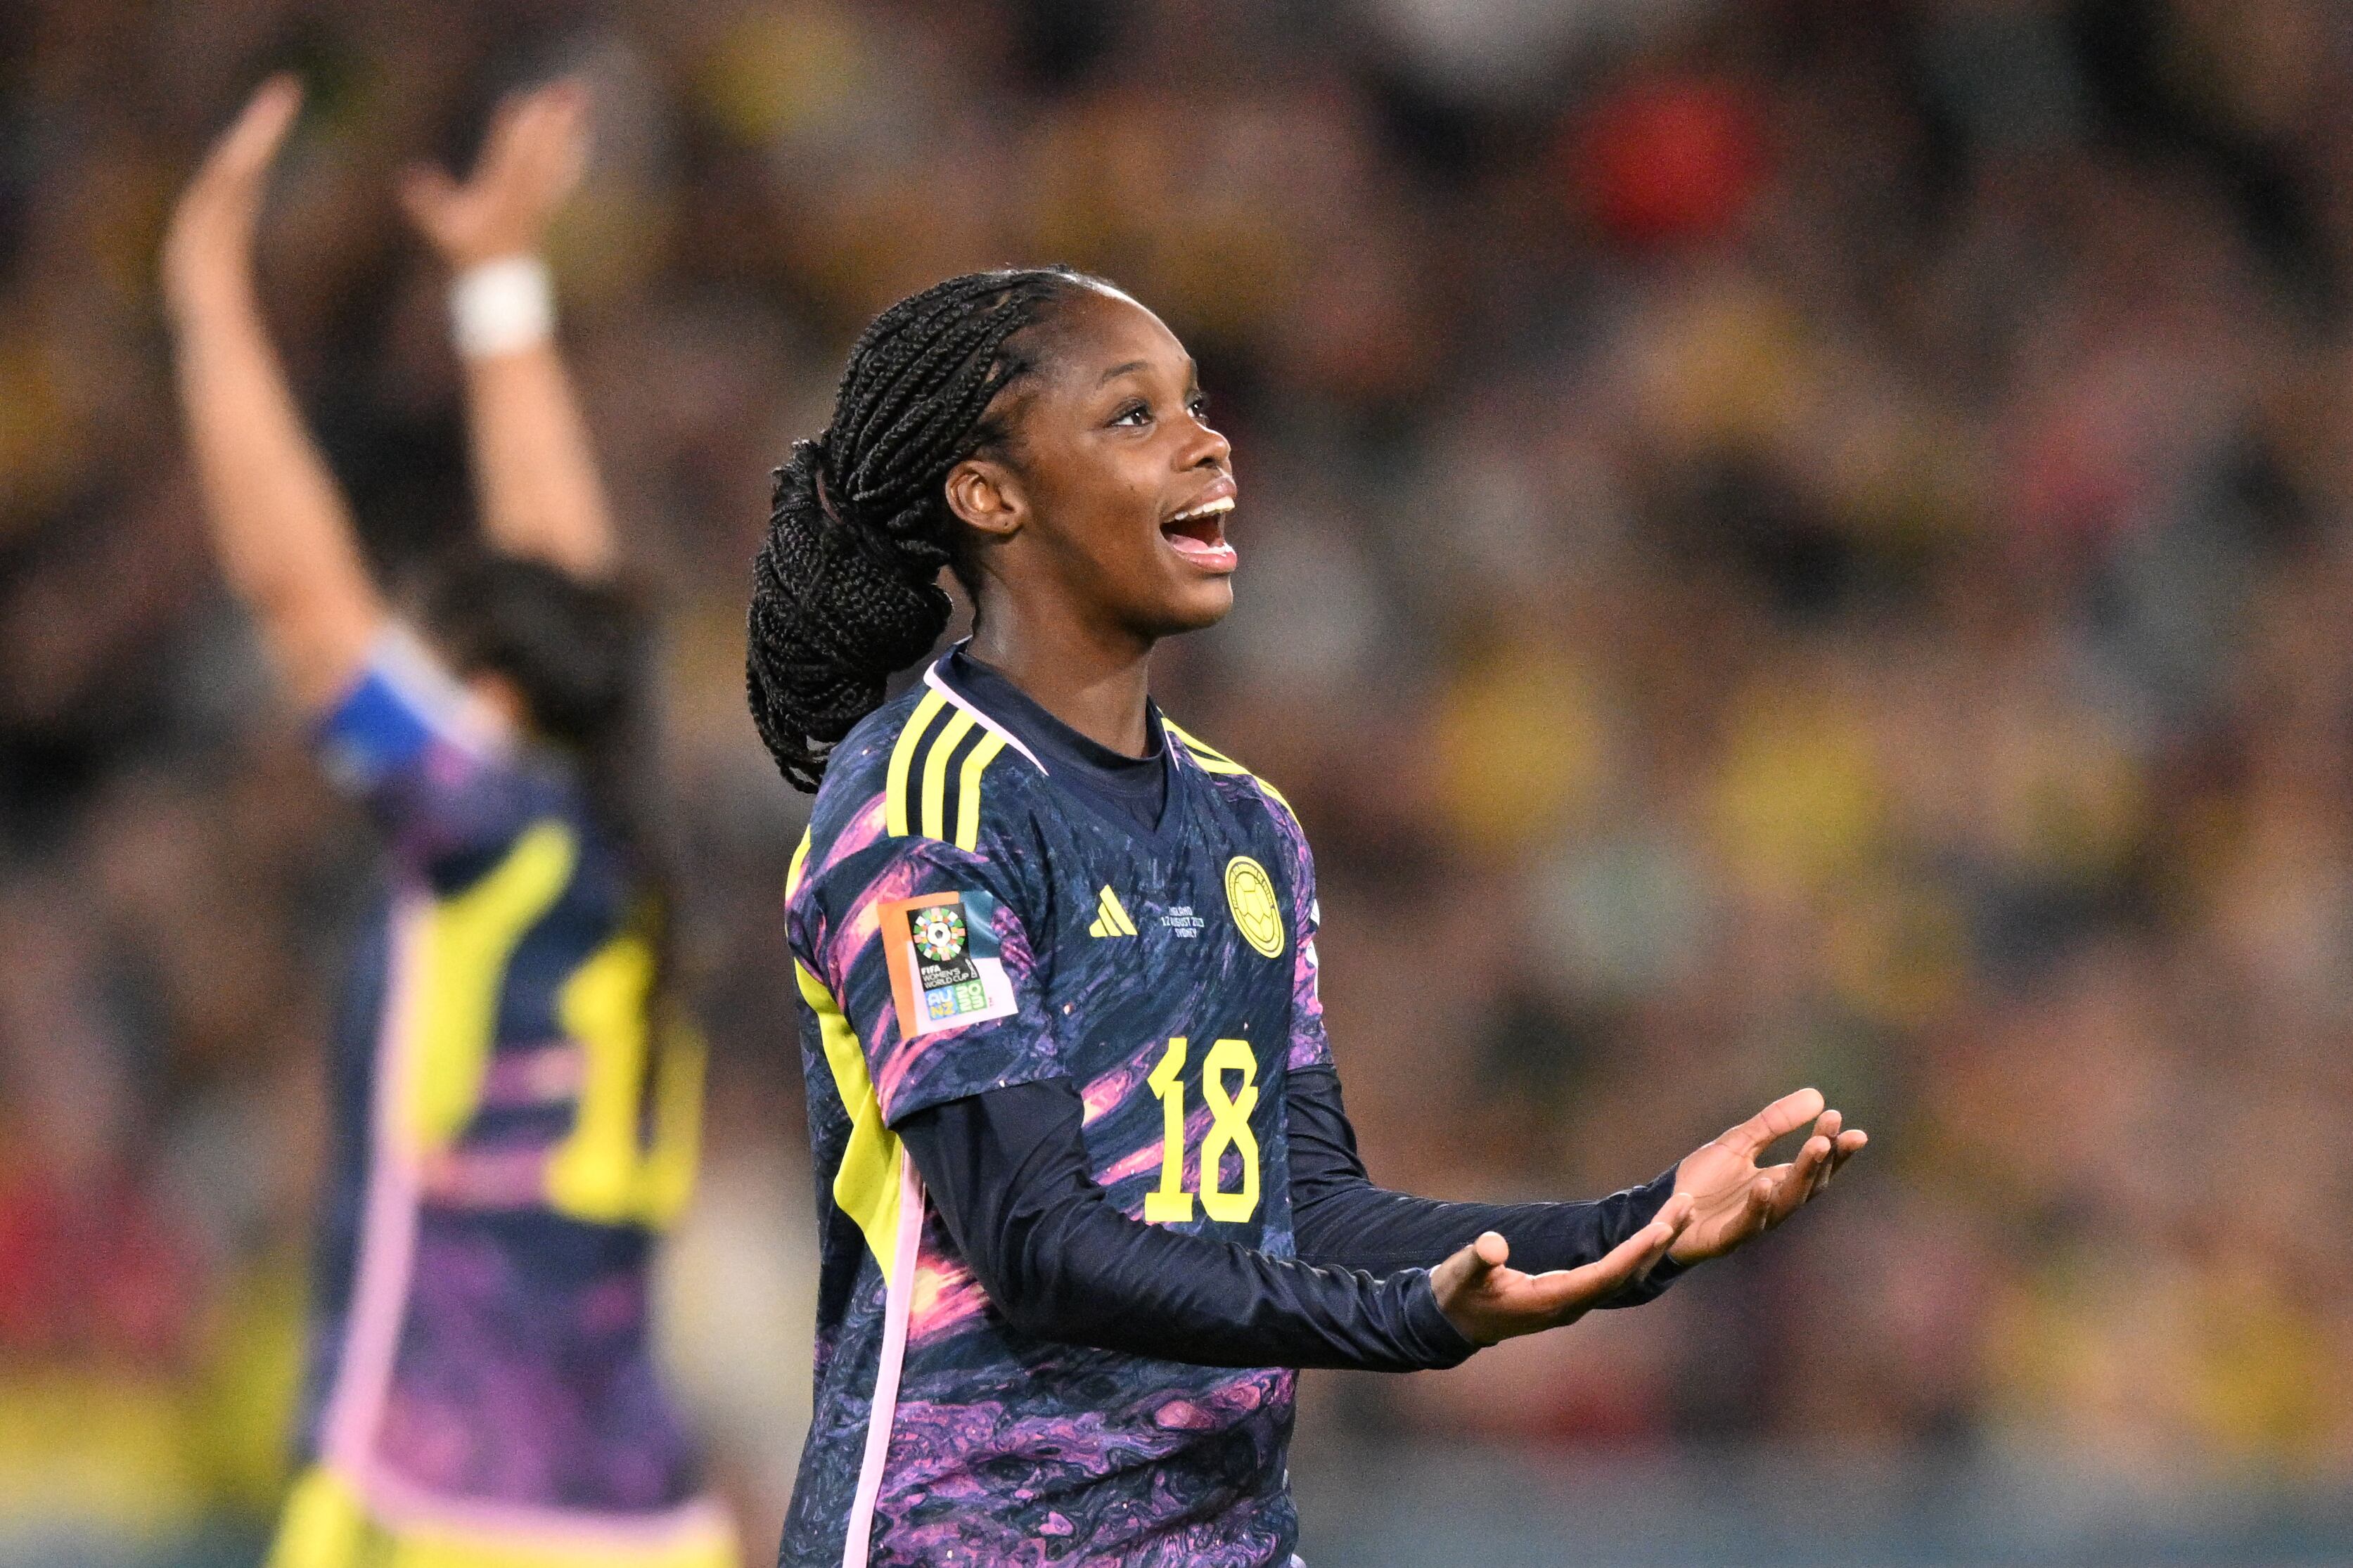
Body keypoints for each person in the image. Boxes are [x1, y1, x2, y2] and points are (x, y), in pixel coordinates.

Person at [745, 268, 1871, 1565]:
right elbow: (1033, 1241)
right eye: (1131, 416)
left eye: (1198, 405)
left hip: (1226, 1536)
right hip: (970, 1536)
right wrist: (1405, 1324)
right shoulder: (923, 801)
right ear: (990, 495)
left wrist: (1635, 1226)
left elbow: (1305, 1206)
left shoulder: (1247, 827)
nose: (1206, 440)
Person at [163, 78, 733, 1568]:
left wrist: (208, 296)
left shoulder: (483, 820)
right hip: (640, 1512)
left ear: (481, 689)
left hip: (437, 1492)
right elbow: (570, 594)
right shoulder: (615, 833)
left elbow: (298, 591)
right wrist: (495, 289)